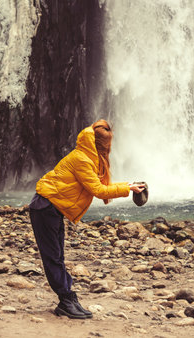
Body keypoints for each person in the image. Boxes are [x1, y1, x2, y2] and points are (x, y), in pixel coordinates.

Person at [29, 119, 145, 319]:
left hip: (51, 208)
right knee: (53, 258)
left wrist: (128, 184)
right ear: (101, 145)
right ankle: (66, 299)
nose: (110, 148)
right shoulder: (82, 159)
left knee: (57, 257)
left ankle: (68, 299)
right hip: (45, 207)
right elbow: (98, 190)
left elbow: (97, 184)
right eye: (108, 144)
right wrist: (128, 189)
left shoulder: (87, 157)